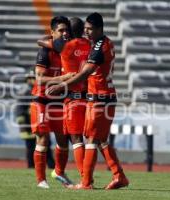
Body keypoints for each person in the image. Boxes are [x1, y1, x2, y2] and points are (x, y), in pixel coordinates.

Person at [46, 12, 129, 190]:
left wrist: (62, 86)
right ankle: (119, 176)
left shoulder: (98, 47)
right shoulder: (104, 42)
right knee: (101, 140)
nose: (87, 32)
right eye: (85, 29)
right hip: (106, 96)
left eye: (90, 29)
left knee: (90, 139)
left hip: (98, 98)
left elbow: (85, 73)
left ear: (99, 29)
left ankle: (86, 183)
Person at [38, 17, 91, 179]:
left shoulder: (65, 46)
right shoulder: (91, 46)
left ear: (69, 31)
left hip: (72, 97)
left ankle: (84, 178)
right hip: (90, 97)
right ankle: (112, 173)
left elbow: (41, 41)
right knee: (93, 139)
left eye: (66, 30)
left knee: (76, 138)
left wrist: (50, 36)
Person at [30, 16, 74, 189]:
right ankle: (41, 181)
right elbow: (39, 78)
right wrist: (62, 78)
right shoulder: (45, 51)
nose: (65, 33)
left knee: (63, 141)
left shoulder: (69, 49)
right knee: (43, 139)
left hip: (60, 101)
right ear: (52, 32)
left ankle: (59, 173)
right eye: (61, 30)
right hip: (41, 100)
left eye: (66, 30)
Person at [16, 73, 55, 169]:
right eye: (33, 78)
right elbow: (20, 109)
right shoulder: (25, 91)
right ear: (28, 79)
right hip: (28, 123)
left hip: (38, 120)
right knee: (31, 146)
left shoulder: (38, 89)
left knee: (46, 144)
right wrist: (24, 122)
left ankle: (51, 166)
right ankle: (31, 167)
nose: (35, 80)